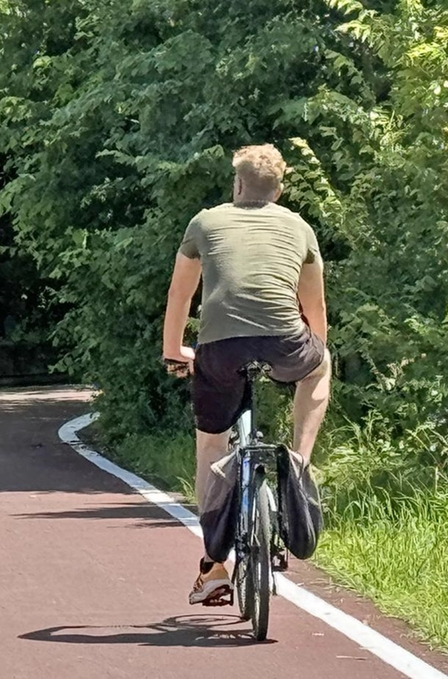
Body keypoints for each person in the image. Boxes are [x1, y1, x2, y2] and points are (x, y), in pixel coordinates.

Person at [161, 143, 332, 607]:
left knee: (211, 445)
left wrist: (174, 350)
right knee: (321, 363)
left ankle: (214, 565)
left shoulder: (205, 221)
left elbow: (180, 296)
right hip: (285, 342)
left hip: (219, 351)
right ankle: (299, 460)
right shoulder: (299, 227)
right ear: (278, 189)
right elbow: (314, 310)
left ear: (237, 184)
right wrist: (313, 348)